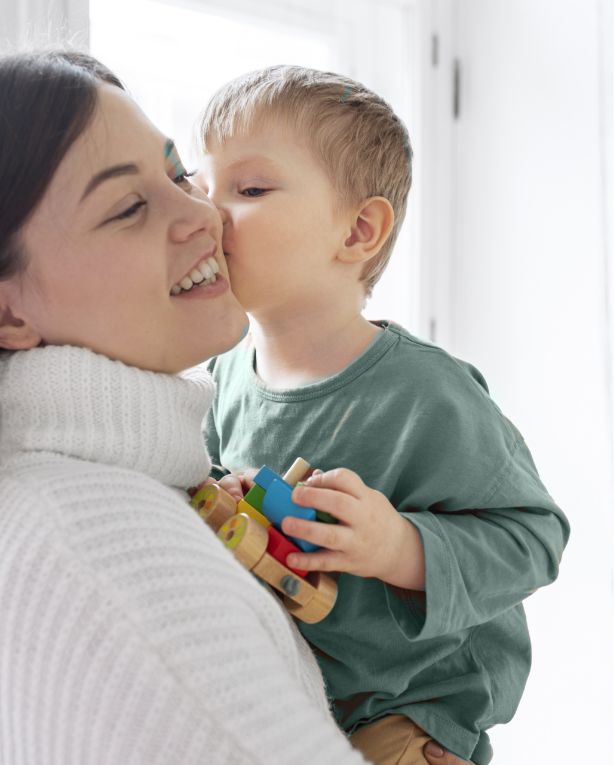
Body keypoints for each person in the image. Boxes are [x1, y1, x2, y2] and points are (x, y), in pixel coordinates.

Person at [0, 50, 375, 764]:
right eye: (129, 207)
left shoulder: (98, 488)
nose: (203, 215)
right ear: (7, 310)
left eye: (176, 175)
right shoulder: (115, 569)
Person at [197, 65, 570, 765]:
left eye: (248, 190)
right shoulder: (218, 383)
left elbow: (536, 537)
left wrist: (399, 545)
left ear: (359, 230)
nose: (208, 213)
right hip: (292, 704)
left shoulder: (425, 392)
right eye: (200, 185)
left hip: (406, 718)